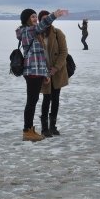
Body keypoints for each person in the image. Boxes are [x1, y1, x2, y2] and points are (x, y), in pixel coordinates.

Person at [15, 8, 68, 141]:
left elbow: (40, 57)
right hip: (32, 72)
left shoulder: (32, 32)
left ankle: (30, 129)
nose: (35, 20)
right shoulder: (28, 31)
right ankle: (27, 131)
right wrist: (54, 15)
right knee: (31, 102)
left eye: (35, 17)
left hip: (37, 72)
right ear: (27, 19)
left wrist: (45, 74)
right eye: (33, 17)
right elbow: (43, 25)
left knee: (32, 101)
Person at [37, 10, 69, 137]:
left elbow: (63, 52)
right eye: (43, 19)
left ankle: (53, 126)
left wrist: (55, 68)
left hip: (57, 72)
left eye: (48, 18)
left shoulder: (58, 33)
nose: (46, 21)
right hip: (43, 72)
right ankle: (45, 128)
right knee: (46, 98)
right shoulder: (37, 34)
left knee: (55, 99)